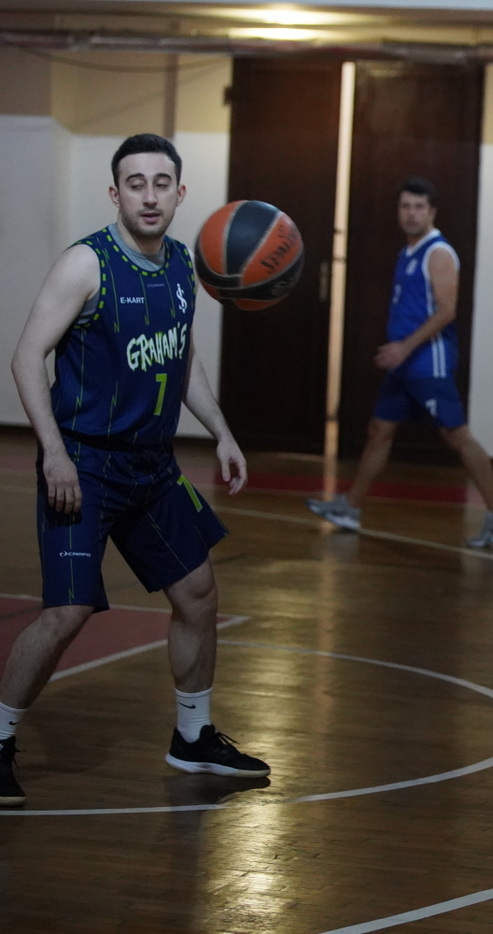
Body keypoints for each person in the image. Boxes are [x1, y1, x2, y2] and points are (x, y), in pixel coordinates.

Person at [1, 133, 269, 808]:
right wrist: (53, 452)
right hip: (84, 463)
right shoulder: (85, 265)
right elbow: (27, 356)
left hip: (151, 465)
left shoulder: (182, 264)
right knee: (67, 612)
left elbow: (183, 359)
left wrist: (223, 431)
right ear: (115, 194)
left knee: (198, 593)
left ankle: (193, 736)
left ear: (180, 193)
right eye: (135, 183)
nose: (149, 195)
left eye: (161, 183)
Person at [307, 177, 493, 548]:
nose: (411, 213)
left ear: (432, 211)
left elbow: (447, 311)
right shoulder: (408, 251)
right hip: (405, 364)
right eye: (405, 206)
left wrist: (404, 348)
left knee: (456, 435)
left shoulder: (438, 253)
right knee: (379, 429)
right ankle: (350, 508)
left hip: (427, 363)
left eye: (419, 207)